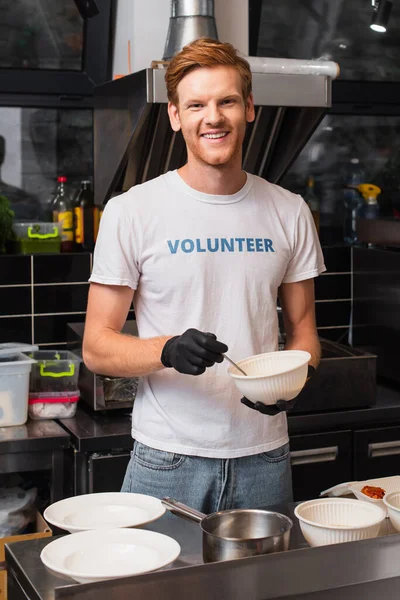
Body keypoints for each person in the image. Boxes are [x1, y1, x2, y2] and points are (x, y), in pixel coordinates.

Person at [83, 38, 326, 513]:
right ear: (175, 115)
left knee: (262, 589)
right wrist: (167, 349)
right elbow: (96, 345)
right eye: (196, 104)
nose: (212, 117)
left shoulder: (289, 211)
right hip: (166, 459)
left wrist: (296, 382)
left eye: (227, 101)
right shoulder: (132, 211)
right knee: (153, 590)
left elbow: (304, 334)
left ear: (249, 108)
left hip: (264, 456)